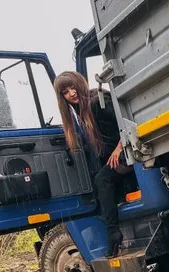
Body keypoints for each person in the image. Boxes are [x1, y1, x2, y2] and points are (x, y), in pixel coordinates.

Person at [54, 71, 129, 257]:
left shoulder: (97, 101)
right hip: (119, 154)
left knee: (102, 179)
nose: (71, 93)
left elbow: (126, 121)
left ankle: (113, 233)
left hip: (130, 149)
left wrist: (119, 148)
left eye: (73, 87)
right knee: (101, 175)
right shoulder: (82, 111)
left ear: (80, 83)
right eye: (65, 92)